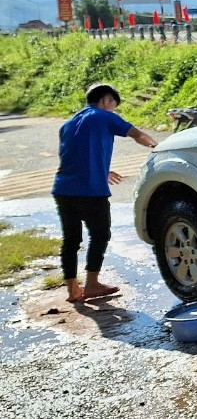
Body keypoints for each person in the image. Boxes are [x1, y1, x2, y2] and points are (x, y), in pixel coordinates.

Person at [52, 83, 159, 303]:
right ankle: (92, 284)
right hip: (90, 191)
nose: (113, 110)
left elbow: (73, 154)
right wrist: (159, 148)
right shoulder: (103, 116)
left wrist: (103, 170)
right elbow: (137, 135)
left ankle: (72, 289)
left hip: (63, 189)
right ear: (106, 100)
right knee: (100, 235)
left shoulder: (68, 124)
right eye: (113, 105)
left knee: (71, 240)